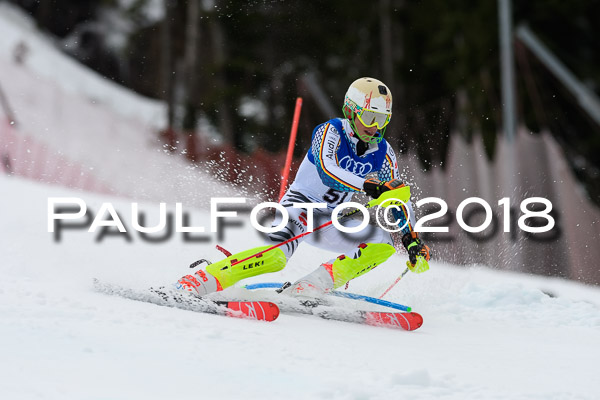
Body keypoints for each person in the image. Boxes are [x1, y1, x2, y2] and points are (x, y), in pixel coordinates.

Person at [175, 77, 430, 297]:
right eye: (369, 117)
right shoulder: (330, 131)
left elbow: (395, 198)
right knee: (275, 258)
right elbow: (328, 170)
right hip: (299, 207)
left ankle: (311, 286)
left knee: (383, 244)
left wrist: (411, 239)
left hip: (331, 221)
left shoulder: (384, 153)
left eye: (382, 119)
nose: (375, 127)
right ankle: (201, 280)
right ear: (350, 111)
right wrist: (368, 185)